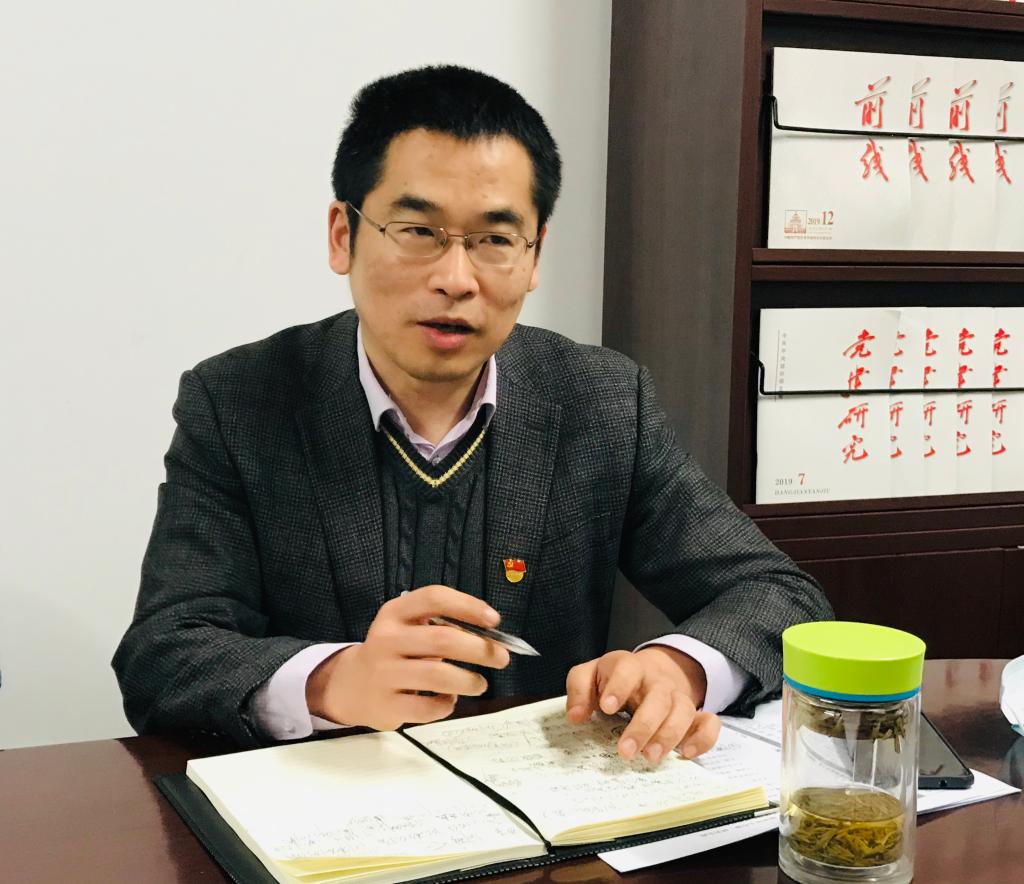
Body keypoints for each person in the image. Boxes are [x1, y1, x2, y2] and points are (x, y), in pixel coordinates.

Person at [113, 65, 831, 764]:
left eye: (493, 240)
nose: (455, 279)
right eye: (417, 231)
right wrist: (332, 681)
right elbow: (164, 654)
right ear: (342, 235)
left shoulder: (602, 401)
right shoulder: (240, 402)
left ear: (534, 255)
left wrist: (679, 668)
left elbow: (778, 594)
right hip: (327, 810)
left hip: (549, 809)